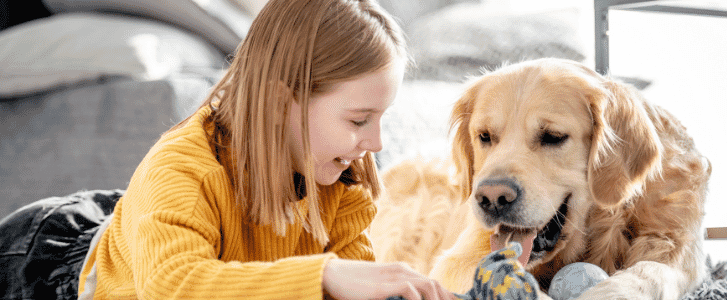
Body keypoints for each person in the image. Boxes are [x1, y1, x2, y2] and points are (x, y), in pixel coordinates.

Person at [0, 0, 457, 299]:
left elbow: (355, 282)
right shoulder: (184, 165)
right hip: (43, 264)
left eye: (382, 119)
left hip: (154, 229)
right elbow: (172, 286)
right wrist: (324, 276)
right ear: (281, 102)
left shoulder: (341, 174)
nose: (375, 143)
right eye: (359, 120)